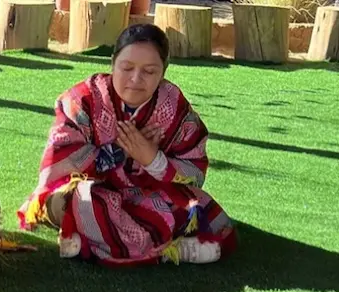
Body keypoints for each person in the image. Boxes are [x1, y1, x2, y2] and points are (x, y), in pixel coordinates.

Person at [16, 24, 237, 267]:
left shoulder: (172, 105)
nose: (135, 79)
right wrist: (120, 152)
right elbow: (59, 159)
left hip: (145, 194)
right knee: (82, 202)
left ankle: (97, 241)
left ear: (163, 72)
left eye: (149, 71)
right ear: (113, 64)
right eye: (127, 67)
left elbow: (193, 171)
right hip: (91, 191)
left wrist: (153, 160)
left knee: (200, 207)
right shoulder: (84, 100)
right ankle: (168, 252)